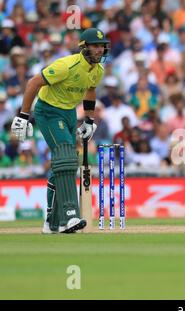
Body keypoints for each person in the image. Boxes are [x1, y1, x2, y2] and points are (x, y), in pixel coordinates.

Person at [10, 28, 109, 234]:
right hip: (48, 111)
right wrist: (23, 115)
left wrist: (89, 119)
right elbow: (34, 82)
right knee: (65, 156)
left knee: (63, 165)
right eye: (95, 46)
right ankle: (70, 215)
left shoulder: (97, 70)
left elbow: (90, 90)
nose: (99, 50)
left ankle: (51, 223)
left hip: (70, 114)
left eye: (102, 46)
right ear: (84, 47)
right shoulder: (67, 65)